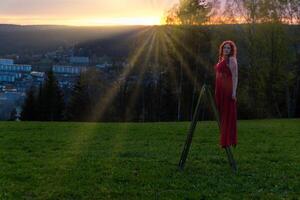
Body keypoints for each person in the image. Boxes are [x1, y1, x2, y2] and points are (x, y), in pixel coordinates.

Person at [214, 40, 238, 148]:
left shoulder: (232, 60)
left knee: (227, 115)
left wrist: (234, 92)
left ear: (231, 50)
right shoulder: (221, 59)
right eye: (225, 48)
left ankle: (227, 141)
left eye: (229, 48)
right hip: (220, 89)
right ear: (222, 49)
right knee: (222, 114)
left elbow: (235, 76)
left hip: (227, 90)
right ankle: (224, 139)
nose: (226, 50)